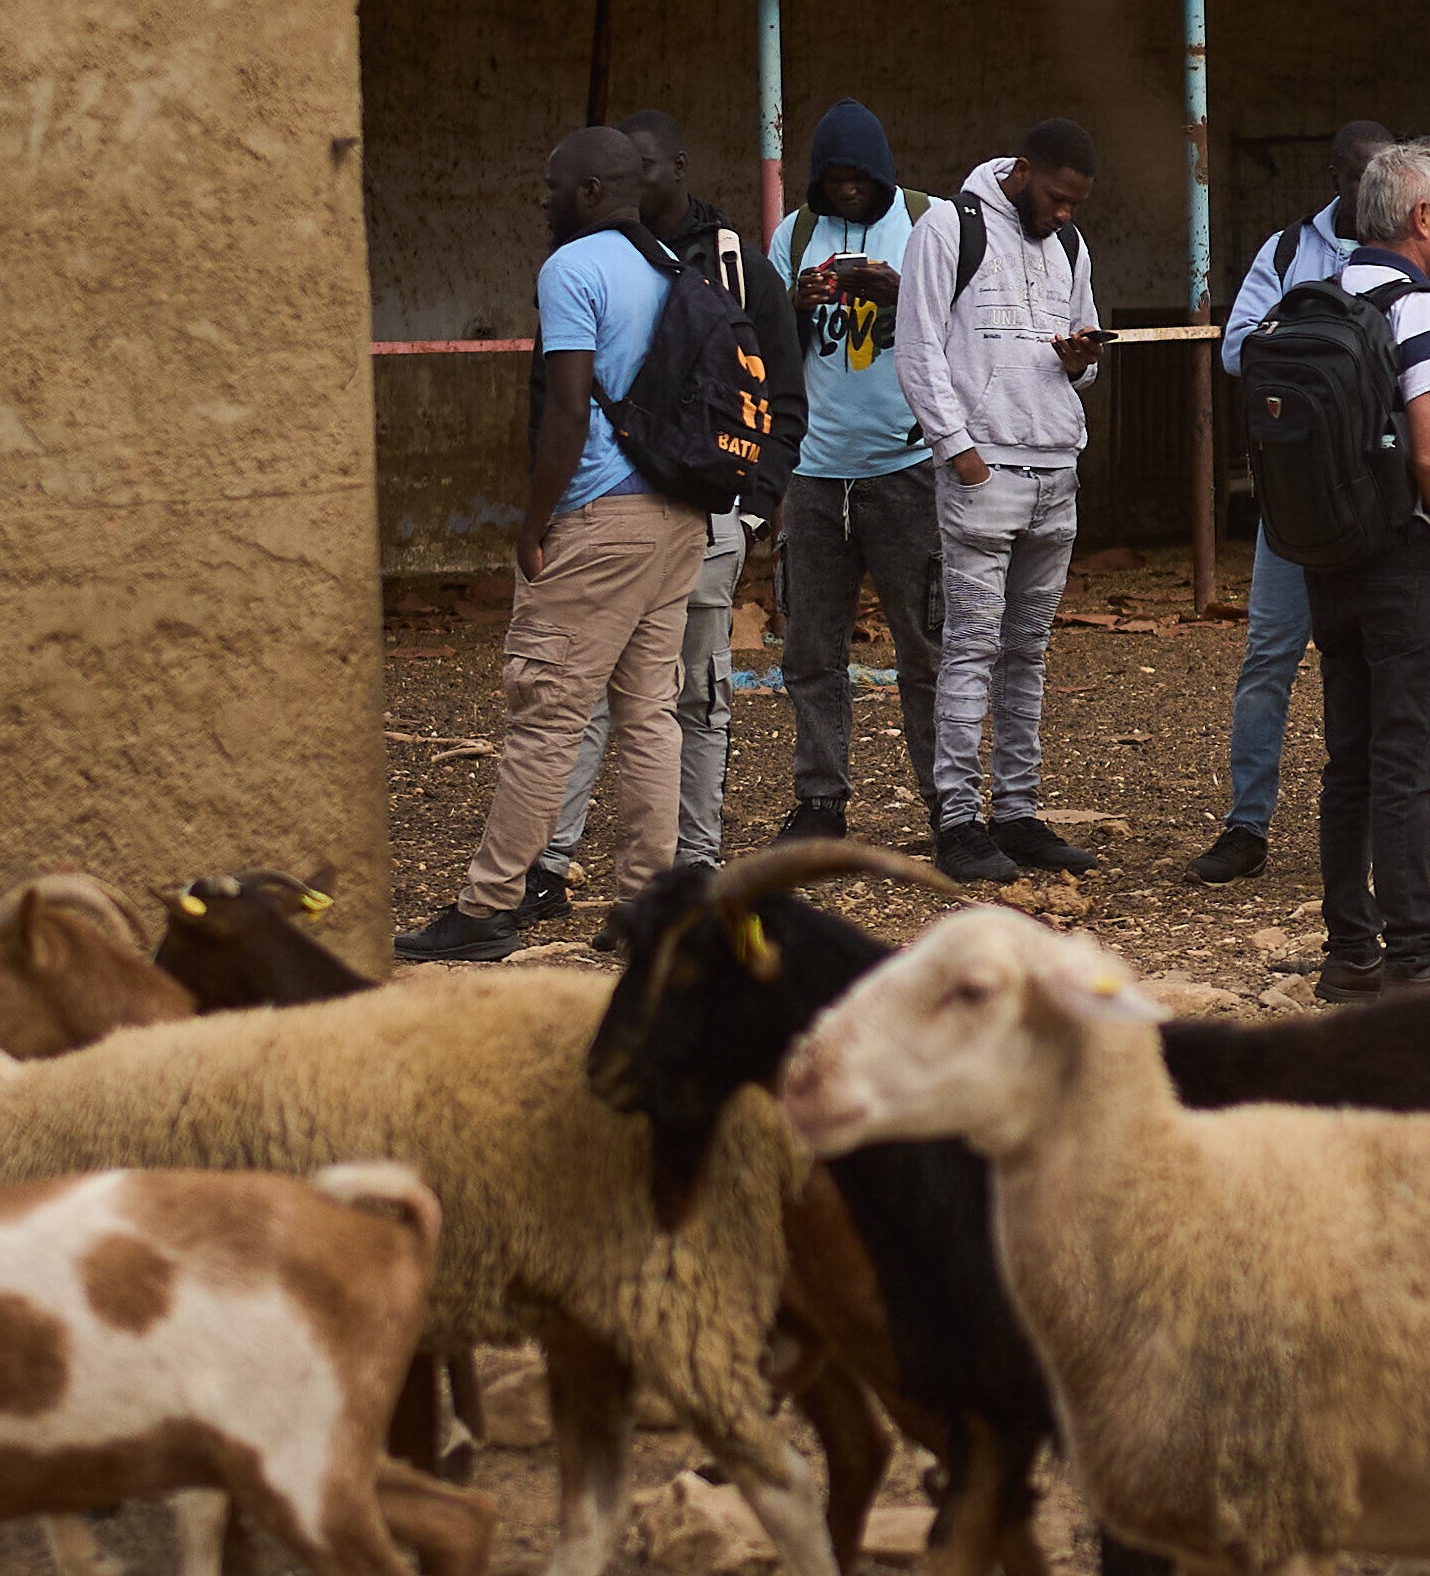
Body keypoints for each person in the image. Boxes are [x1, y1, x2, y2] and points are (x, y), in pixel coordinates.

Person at [417, 119, 778, 958]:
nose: (542, 200)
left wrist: (535, 522)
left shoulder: (571, 267)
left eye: (550, 186)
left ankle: (486, 907)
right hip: (679, 517)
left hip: (599, 519)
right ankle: (649, 909)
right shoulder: (664, 263)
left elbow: (568, 408)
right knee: (650, 715)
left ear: (587, 192)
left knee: (544, 714)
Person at [1292, 141, 1430, 999]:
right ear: (1420, 218)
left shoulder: (1325, 302)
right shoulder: (1422, 307)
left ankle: (1350, 954)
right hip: (1414, 563)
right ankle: (1415, 955)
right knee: (1409, 765)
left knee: (1352, 761)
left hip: (1333, 558)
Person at [1184, 111, 1402, 886]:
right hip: (1296, 496)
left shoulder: (1411, 252)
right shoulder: (1287, 250)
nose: (1371, 188)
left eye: (1384, 175)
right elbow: (1239, 347)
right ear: (1335, 176)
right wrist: (1327, 348)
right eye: (1358, 175)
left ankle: (1382, 825)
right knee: (1268, 658)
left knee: (1380, 661)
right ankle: (1247, 827)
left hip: (1377, 496)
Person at [904, 115, 1112, 885]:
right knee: (970, 645)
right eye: (1056, 197)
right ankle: (956, 818)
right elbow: (917, 344)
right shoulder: (948, 227)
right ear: (1021, 170)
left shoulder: (1070, 245)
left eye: (1075, 204)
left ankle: (1017, 811)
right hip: (984, 467)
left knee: (1028, 648)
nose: (1064, 214)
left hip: (1056, 463)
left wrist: (1082, 358)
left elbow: (1079, 353)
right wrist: (956, 450)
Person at [763, 100, 944, 846]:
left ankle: (949, 803)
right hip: (815, 474)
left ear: (882, 175)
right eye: (832, 181)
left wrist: (902, 291)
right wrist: (798, 305)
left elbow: (962, 325)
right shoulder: (794, 236)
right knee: (811, 650)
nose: (845, 192)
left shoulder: (930, 224)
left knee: (927, 649)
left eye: (857, 181)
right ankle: (820, 803)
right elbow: (768, 347)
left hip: (909, 469)